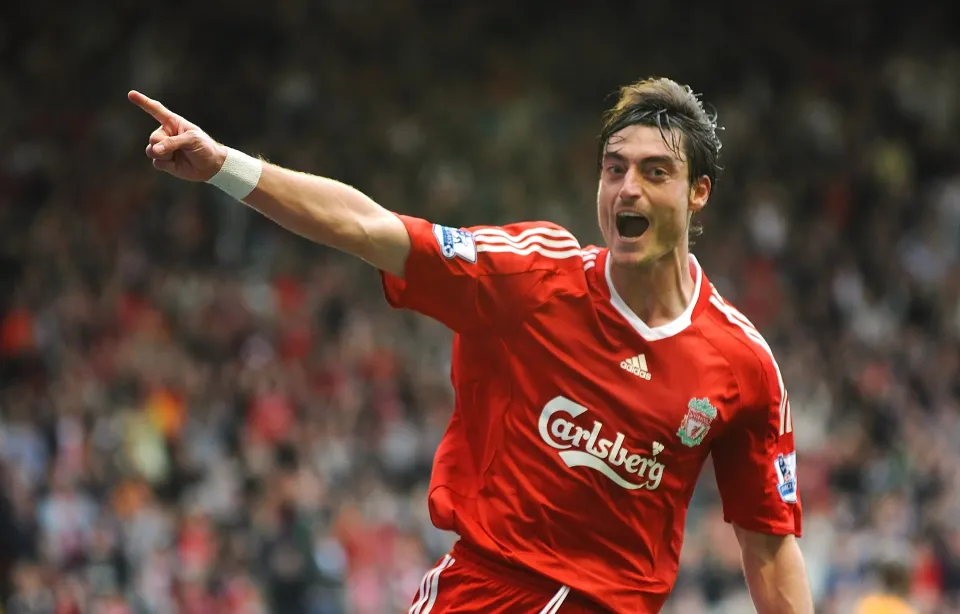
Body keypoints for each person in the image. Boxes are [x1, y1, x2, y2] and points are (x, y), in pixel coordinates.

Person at [128, 76, 812, 613]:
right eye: (614, 168)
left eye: (655, 172)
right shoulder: (532, 276)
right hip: (488, 596)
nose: (627, 188)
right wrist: (225, 167)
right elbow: (369, 228)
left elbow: (769, 547)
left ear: (699, 194)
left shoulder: (741, 363)